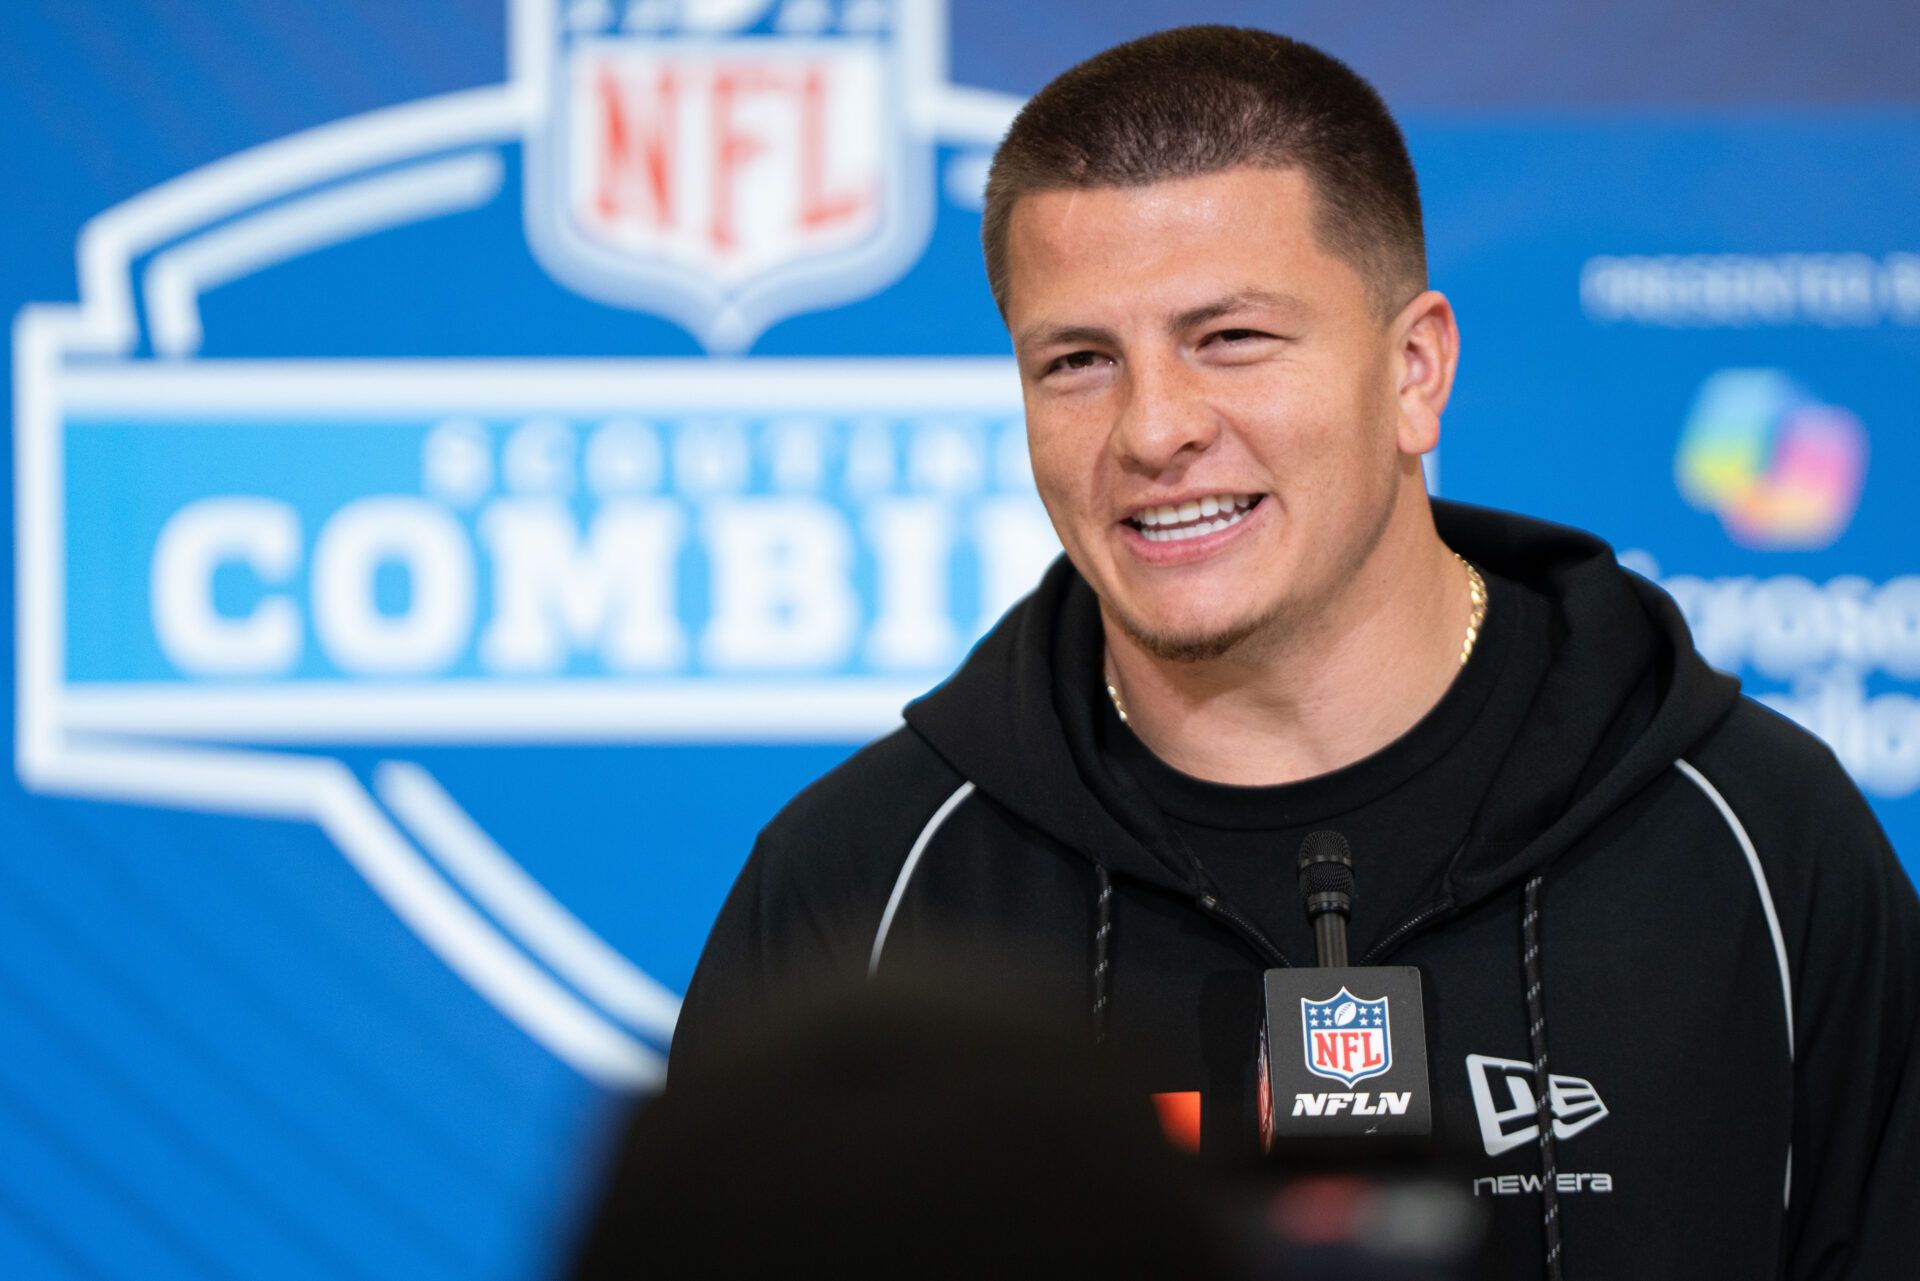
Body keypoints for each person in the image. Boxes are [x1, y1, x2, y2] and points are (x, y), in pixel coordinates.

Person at [672, 25, 1919, 1278]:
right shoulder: (861, 889)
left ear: (1414, 371)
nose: (1153, 431)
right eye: (1079, 362)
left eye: (1231, 338)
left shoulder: (1758, 838)